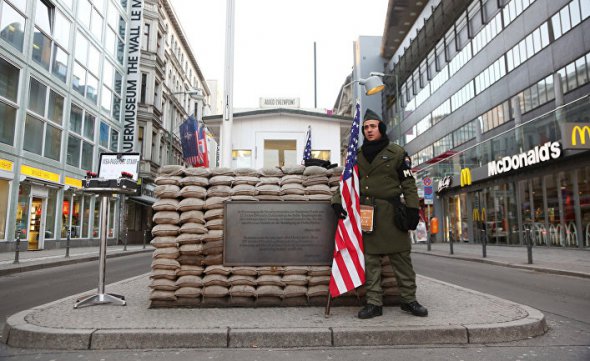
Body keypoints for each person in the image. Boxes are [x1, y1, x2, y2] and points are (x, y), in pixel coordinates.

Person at [331, 108, 428, 319]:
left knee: (401, 259)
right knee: (371, 261)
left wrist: (413, 209)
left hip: (392, 213)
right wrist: (337, 202)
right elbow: (346, 182)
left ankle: (409, 300)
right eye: (365, 127)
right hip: (367, 213)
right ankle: (374, 303)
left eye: (372, 126)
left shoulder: (397, 153)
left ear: (381, 129)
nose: (368, 130)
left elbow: (408, 183)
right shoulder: (356, 157)